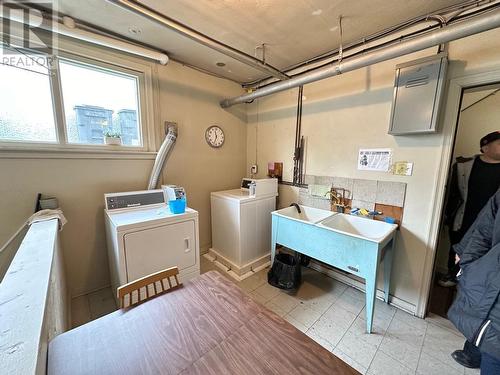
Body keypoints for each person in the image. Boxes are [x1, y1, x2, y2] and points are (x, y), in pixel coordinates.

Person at [448, 189, 500, 373]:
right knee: (492, 358)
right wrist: (466, 257)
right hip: (491, 285)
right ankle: (473, 353)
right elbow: (485, 226)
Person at [439, 130, 500, 287]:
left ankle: (472, 283)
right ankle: (452, 275)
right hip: (462, 217)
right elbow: (451, 194)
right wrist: (446, 217)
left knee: (483, 252)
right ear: (485, 147)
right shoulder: (463, 166)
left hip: (490, 222)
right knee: (457, 247)